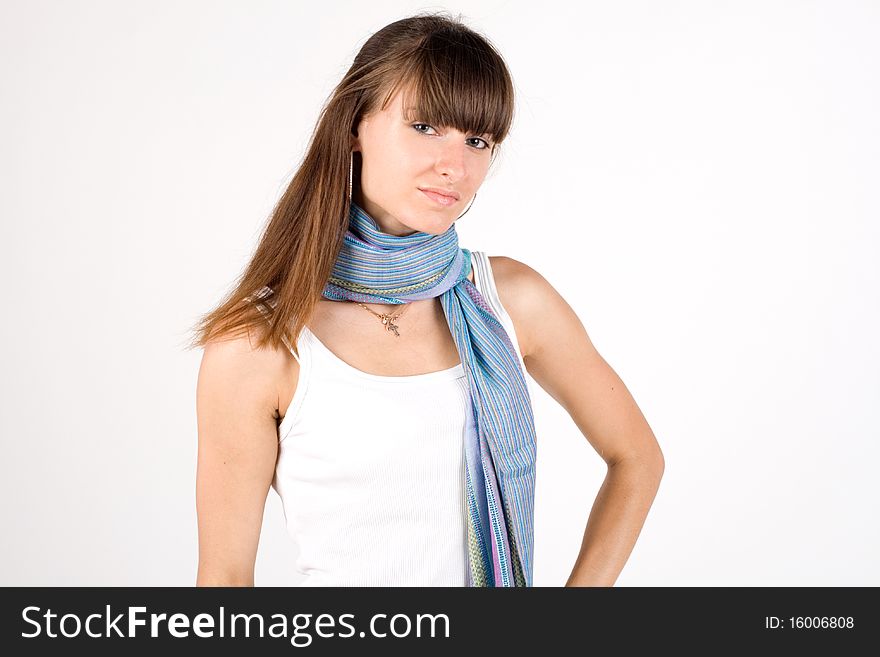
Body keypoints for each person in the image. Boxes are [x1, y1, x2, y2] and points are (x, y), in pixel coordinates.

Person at [189, 11, 664, 587]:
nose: (455, 165)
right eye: (425, 127)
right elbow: (224, 580)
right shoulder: (259, 343)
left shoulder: (511, 301)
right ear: (353, 126)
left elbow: (636, 458)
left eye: (478, 140)